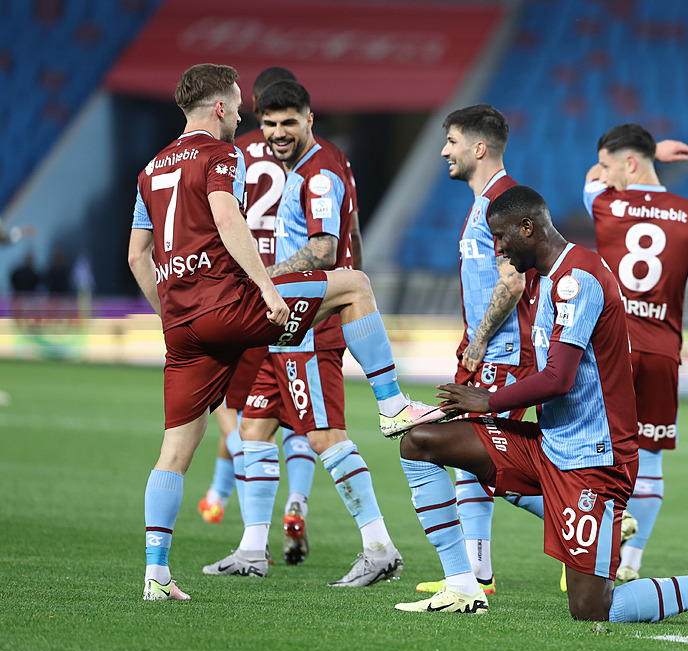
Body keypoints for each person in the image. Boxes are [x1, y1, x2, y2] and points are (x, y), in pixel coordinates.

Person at [392, 185, 688, 631]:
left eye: (501, 236)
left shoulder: (578, 279)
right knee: (421, 442)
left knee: (593, 609)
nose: (497, 248)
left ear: (527, 228)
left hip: (594, 460)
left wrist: (489, 401)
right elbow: (545, 369)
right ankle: (463, 586)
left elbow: (558, 379)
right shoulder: (544, 280)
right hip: (548, 444)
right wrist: (459, 406)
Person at [129, 63, 445, 601]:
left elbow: (138, 255)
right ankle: (392, 407)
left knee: (191, 445)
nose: (251, 123)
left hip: (183, 324)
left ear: (307, 119)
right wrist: (268, 290)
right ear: (221, 107)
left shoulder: (149, 169)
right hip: (241, 309)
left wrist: (169, 315)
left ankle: (158, 573)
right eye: (243, 108)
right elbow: (230, 220)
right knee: (355, 286)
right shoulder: (223, 154)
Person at [202, 79, 406, 587]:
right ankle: (252, 549)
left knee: (323, 435)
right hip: (283, 325)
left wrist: (262, 279)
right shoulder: (305, 169)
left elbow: (324, 249)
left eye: (288, 122)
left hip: (309, 328)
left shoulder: (318, 173)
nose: (277, 132)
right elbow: (351, 238)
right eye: (269, 123)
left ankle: (379, 546)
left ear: (309, 119)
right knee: (253, 428)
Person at [584, 123, 688, 582]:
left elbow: (591, 177)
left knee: (591, 449)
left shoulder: (604, 203)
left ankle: (592, 552)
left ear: (629, 163)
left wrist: (654, 150)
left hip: (610, 349)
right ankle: (630, 564)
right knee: (649, 460)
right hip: (662, 354)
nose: (605, 173)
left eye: (610, 165)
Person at [413, 104, 536, 598]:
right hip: (487, 350)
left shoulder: (501, 203)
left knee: (486, 457)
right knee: (473, 459)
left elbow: (513, 281)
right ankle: (477, 573)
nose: (444, 151)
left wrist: (481, 338)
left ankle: (593, 515)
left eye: (452, 141)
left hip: (502, 352)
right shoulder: (488, 200)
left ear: (478, 148)